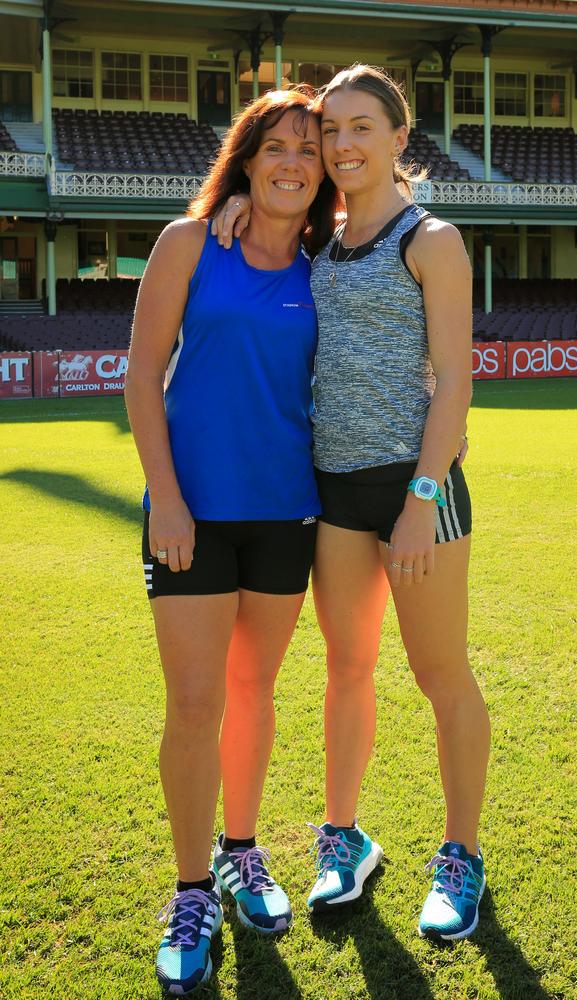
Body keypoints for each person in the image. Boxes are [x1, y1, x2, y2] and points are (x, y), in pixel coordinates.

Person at [215, 64, 490, 942]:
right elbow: (258, 242)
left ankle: (461, 856)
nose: (340, 145)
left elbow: (457, 380)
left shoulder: (431, 239)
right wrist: (233, 215)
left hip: (419, 491)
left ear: (400, 138)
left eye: (361, 127)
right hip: (333, 491)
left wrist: (420, 497)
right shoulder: (319, 244)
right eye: (331, 129)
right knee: (347, 669)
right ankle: (345, 837)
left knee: (442, 676)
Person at [125, 88, 336, 996]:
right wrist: (166, 498)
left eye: (309, 148)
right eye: (275, 146)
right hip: (192, 514)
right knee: (195, 702)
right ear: (246, 158)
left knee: (254, 691)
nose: (293, 160)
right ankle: (189, 891)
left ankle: (242, 851)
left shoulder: (329, 262)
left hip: (287, 511)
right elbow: (140, 376)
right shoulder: (190, 243)